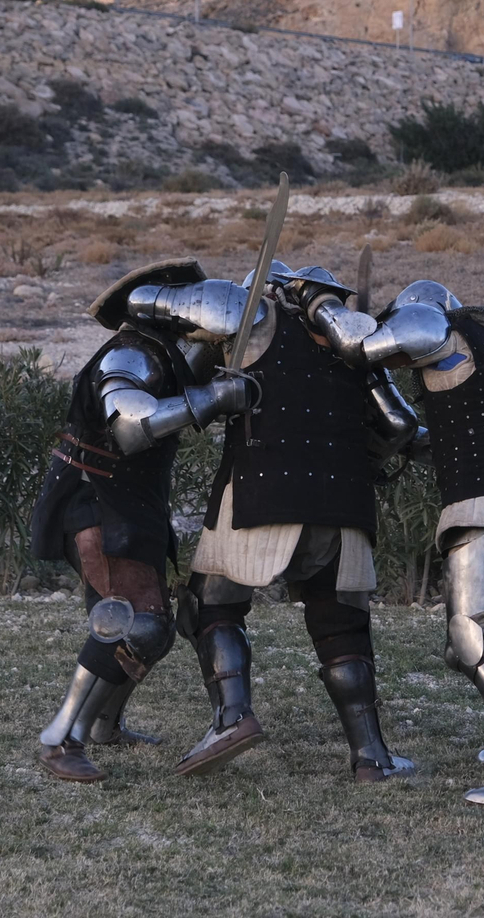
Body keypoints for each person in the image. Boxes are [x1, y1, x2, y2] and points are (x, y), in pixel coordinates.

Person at [125, 262, 417, 782]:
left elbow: (146, 305)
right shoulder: (356, 340)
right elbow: (398, 426)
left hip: (263, 491)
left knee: (209, 606)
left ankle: (232, 718)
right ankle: (371, 756)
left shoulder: (248, 315)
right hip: (344, 503)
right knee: (342, 628)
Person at [318, 280, 484, 805]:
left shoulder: (434, 324)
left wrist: (316, 305)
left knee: (472, 634)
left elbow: (358, 346)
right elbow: (460, 434)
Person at [28, 257, 254, 784]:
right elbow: (131, 426)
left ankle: (104, 725)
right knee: (136, 623)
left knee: (146, 625)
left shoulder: (162, 355)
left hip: (129, 503)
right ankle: (63, 739)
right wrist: (215, 397)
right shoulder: (132, 354)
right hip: (98, 501)